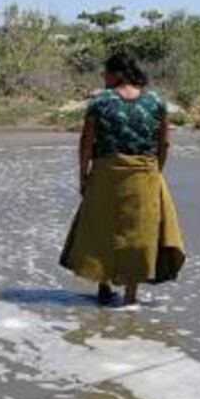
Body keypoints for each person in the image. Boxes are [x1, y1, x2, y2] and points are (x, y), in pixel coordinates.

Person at [60, 50, 185, 306]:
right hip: (144, 174)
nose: (103, 77)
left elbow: (86, 143)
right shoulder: (156, 102)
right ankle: (130, 298)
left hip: (106, 173)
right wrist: (155, 172)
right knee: (138, 235)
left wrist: (83, 176)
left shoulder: (100, 101)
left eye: (105, 73)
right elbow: (164, 144)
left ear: (116, 74)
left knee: (103, 227)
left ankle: (104, 287)